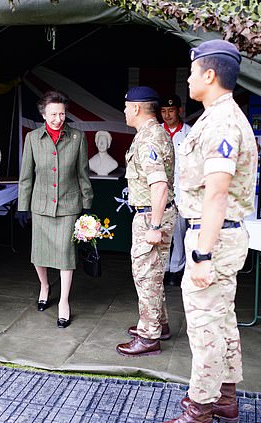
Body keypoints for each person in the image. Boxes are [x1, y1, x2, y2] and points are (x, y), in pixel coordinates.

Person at [165, 40, 257, 423]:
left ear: (209, 75)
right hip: (220, 236)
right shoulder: (218, 116)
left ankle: (199, 408)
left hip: (212, 239)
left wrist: (201, 255)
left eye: (191, 72)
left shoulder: (220, 121)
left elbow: (217, 193)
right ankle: (225, 398)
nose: (187, 79)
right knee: (222, 320)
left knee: (204, 326)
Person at [17, 90, 93, 329]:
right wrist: (22, 207)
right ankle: (45, 286)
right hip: (40, 205)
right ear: (43, 114)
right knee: (39, 254)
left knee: (65, 255)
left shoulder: (77, 138)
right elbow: (26, 177)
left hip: (69, 205)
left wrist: (87, 206)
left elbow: (83, 175)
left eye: (61, 113)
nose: (58, 118)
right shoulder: (32, 139)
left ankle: (63, 302)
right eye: (53, 114)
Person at [115, 86, 177, 357]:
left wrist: (153, 226)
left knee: (145, 275)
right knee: (153, 274)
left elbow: (159, 185)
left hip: (151, 214)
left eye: (127, 107)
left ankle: (149, 337)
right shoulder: (154, 133)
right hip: (154, 213)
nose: (125, 111)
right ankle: (159, 324)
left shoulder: (148, 139)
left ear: (137, 108)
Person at [159, 94, 192, 286]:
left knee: (179, 233)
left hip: (181, 192)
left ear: (179, 110)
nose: (167, 115)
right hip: (160, 192)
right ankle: (163, 269)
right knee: (161, 233)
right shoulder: (157, 132)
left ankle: (177, 269)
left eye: (170, 111)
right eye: (163, 111)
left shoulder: (189, 133)